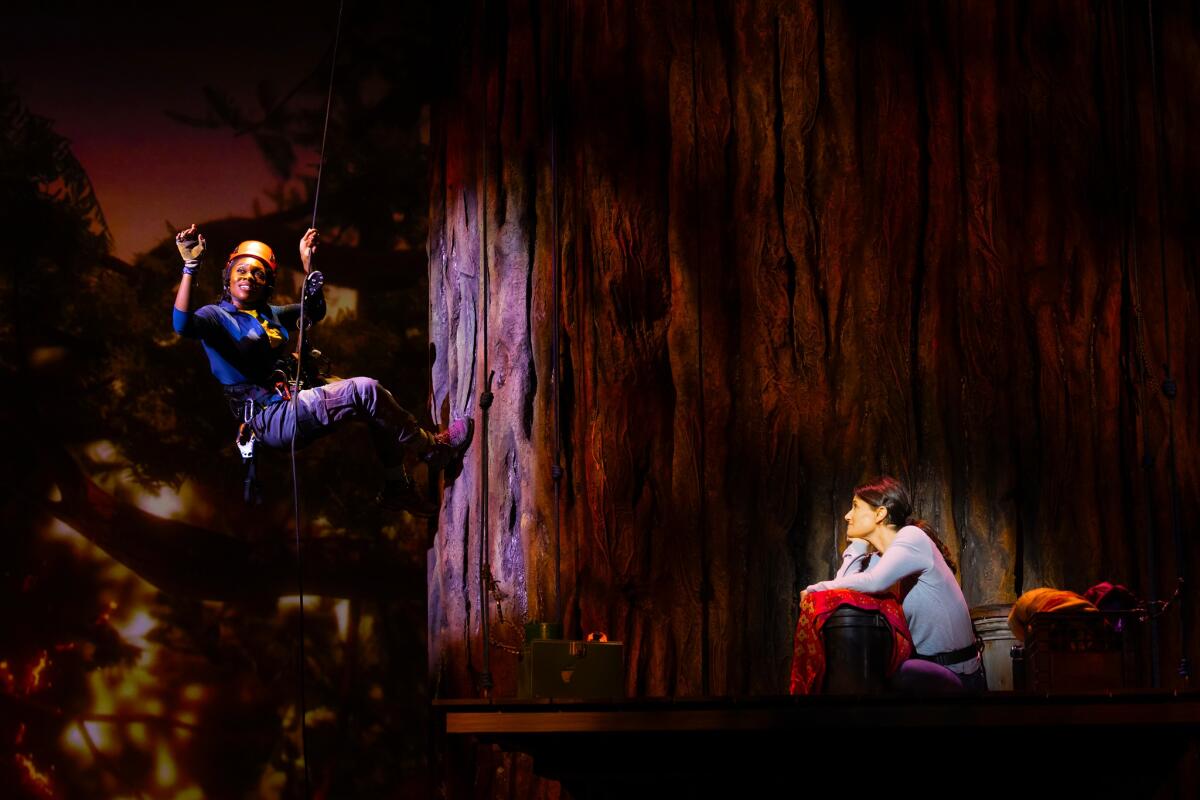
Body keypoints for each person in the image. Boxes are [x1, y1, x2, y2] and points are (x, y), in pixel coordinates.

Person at [170, 224, 471, 516]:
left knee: (376, 402)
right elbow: (182, 325)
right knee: (364, 390)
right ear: (229, 277)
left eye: (258, 273)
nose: (249, 276)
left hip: (291, 400)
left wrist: (307, 264)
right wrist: (191, 266)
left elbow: (313, 311)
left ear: (268, 283)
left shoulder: (268, 315)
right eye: (241, 270)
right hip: (271, 418)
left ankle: (397, 486)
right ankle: (432, 450)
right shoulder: (216, 317)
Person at [804, 476, 985, 691]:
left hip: (959, 676)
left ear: (880, 514)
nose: (847, 516)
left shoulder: (912, 537)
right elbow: (843, 589)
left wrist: (814, 590)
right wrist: (858, 548)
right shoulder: (880, 559)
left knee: (887, 678)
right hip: (926, 670)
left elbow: (874, 582)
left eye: (855, 506)